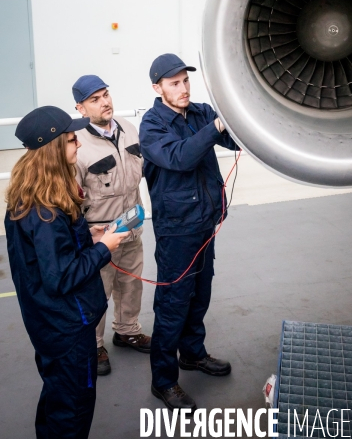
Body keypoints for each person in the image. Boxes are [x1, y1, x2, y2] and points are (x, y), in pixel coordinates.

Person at [5, 106, 129, 439]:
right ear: (54, 148)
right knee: (73, 408)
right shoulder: (47, 212)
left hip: (46, 324)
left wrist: (89, 236)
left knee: (56, 397)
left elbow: (45, 257)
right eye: (72, 140)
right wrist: (106, 248)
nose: (78, 146)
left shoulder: (28, 198)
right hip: (67, 330)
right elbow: (61, 277)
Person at [139, 53, 238, 413]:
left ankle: (193, 354)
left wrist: (242, 119)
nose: (183, 89)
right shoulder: (152, 125)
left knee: (199, 294)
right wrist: (215, 129)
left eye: (185, 81)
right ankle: (163, 381)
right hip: (176, 231)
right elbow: (180, 157)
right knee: (172, 305)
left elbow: (235, 139)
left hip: (205, 222)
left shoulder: (197, 112)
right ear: (157, 87)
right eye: (174, 83)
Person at [72, 75, 151, 376]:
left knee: (131, 284)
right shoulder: (77, 146)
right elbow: (71, 200)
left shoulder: (129, 130)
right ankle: (94, 345)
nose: (105, 101)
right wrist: (86, 237)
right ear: (80, 108)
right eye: (94, 99)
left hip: (132, 224)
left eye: (105, 94)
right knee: (98, 291)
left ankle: (127, 330)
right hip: (100, 234)